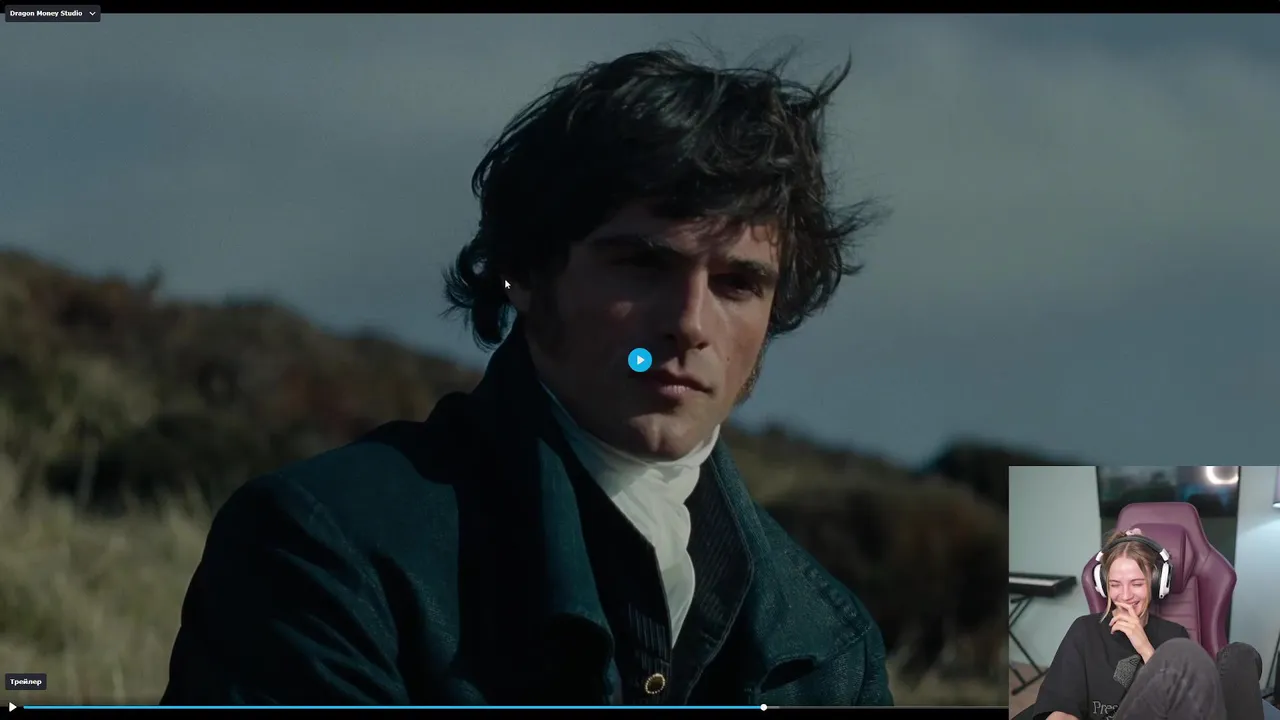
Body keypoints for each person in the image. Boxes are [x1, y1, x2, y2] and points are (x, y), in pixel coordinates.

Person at [160, 47, 894, 706]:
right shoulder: (331, 550)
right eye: (642, 265)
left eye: (737, 284)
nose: (689, 323)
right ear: (528, 273)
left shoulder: (823, 646)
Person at [1032, 528, 1264, 720]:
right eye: (1115, 584)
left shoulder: (1174, 634)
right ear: (1103, 586)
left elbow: (1185, 707)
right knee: (1182, 652)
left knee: (1242, 654)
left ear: (1156, 583)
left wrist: (1144, 646)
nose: (1125, 595)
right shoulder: (1085, 630)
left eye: (1136, 584)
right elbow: (1062, 711)